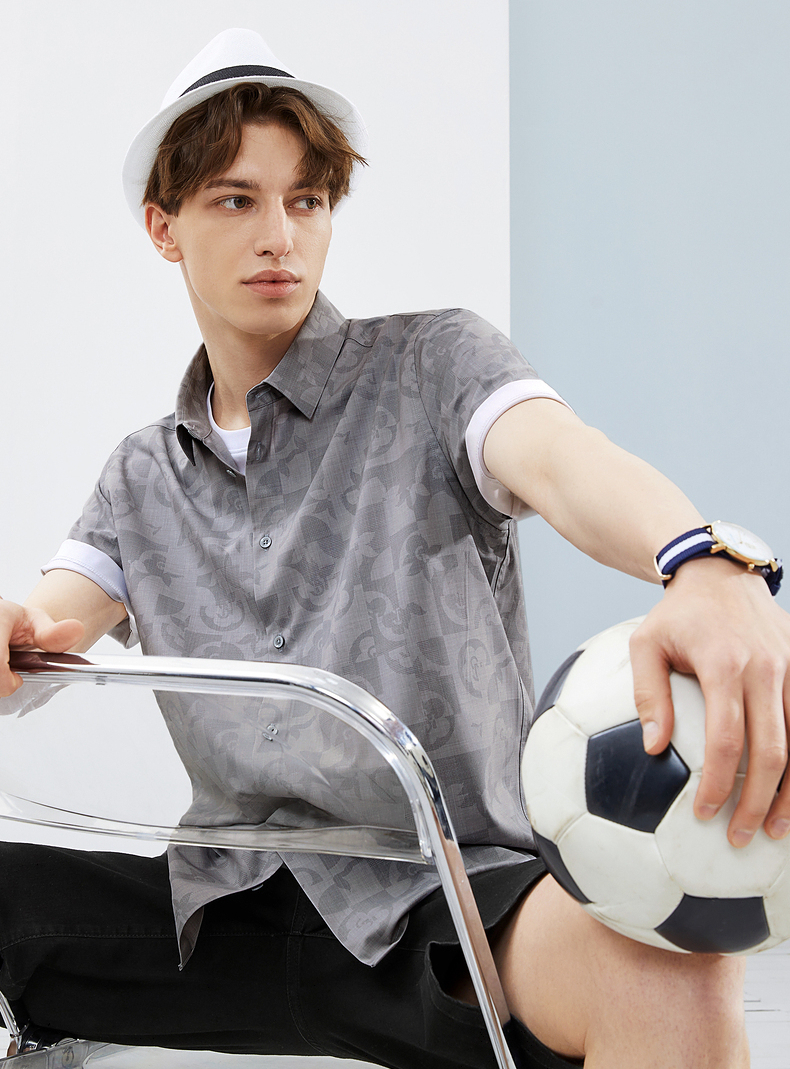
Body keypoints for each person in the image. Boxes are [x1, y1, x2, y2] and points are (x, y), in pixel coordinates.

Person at [0, 27, 788, 1069]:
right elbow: (47, 625)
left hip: (449, 903)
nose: (279, 235)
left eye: (306, 200)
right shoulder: (141, 475)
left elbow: (564, 461)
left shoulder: (434, 365)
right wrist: (13, 639)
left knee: (673, 972)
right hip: (223, 911)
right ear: (164, 226)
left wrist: (701, 559)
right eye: (236, 200)